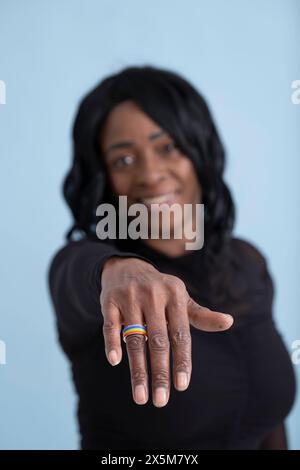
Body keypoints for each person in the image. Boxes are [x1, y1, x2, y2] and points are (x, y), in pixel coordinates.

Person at [48, 65, 296, 450]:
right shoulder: (91, 274)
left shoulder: (247, 263)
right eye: (124, 161)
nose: (150, 174)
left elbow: (268, 422)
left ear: (199, 151)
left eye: (168, 147)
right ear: (105, 180)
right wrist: (118, 272)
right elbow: (75, 271)